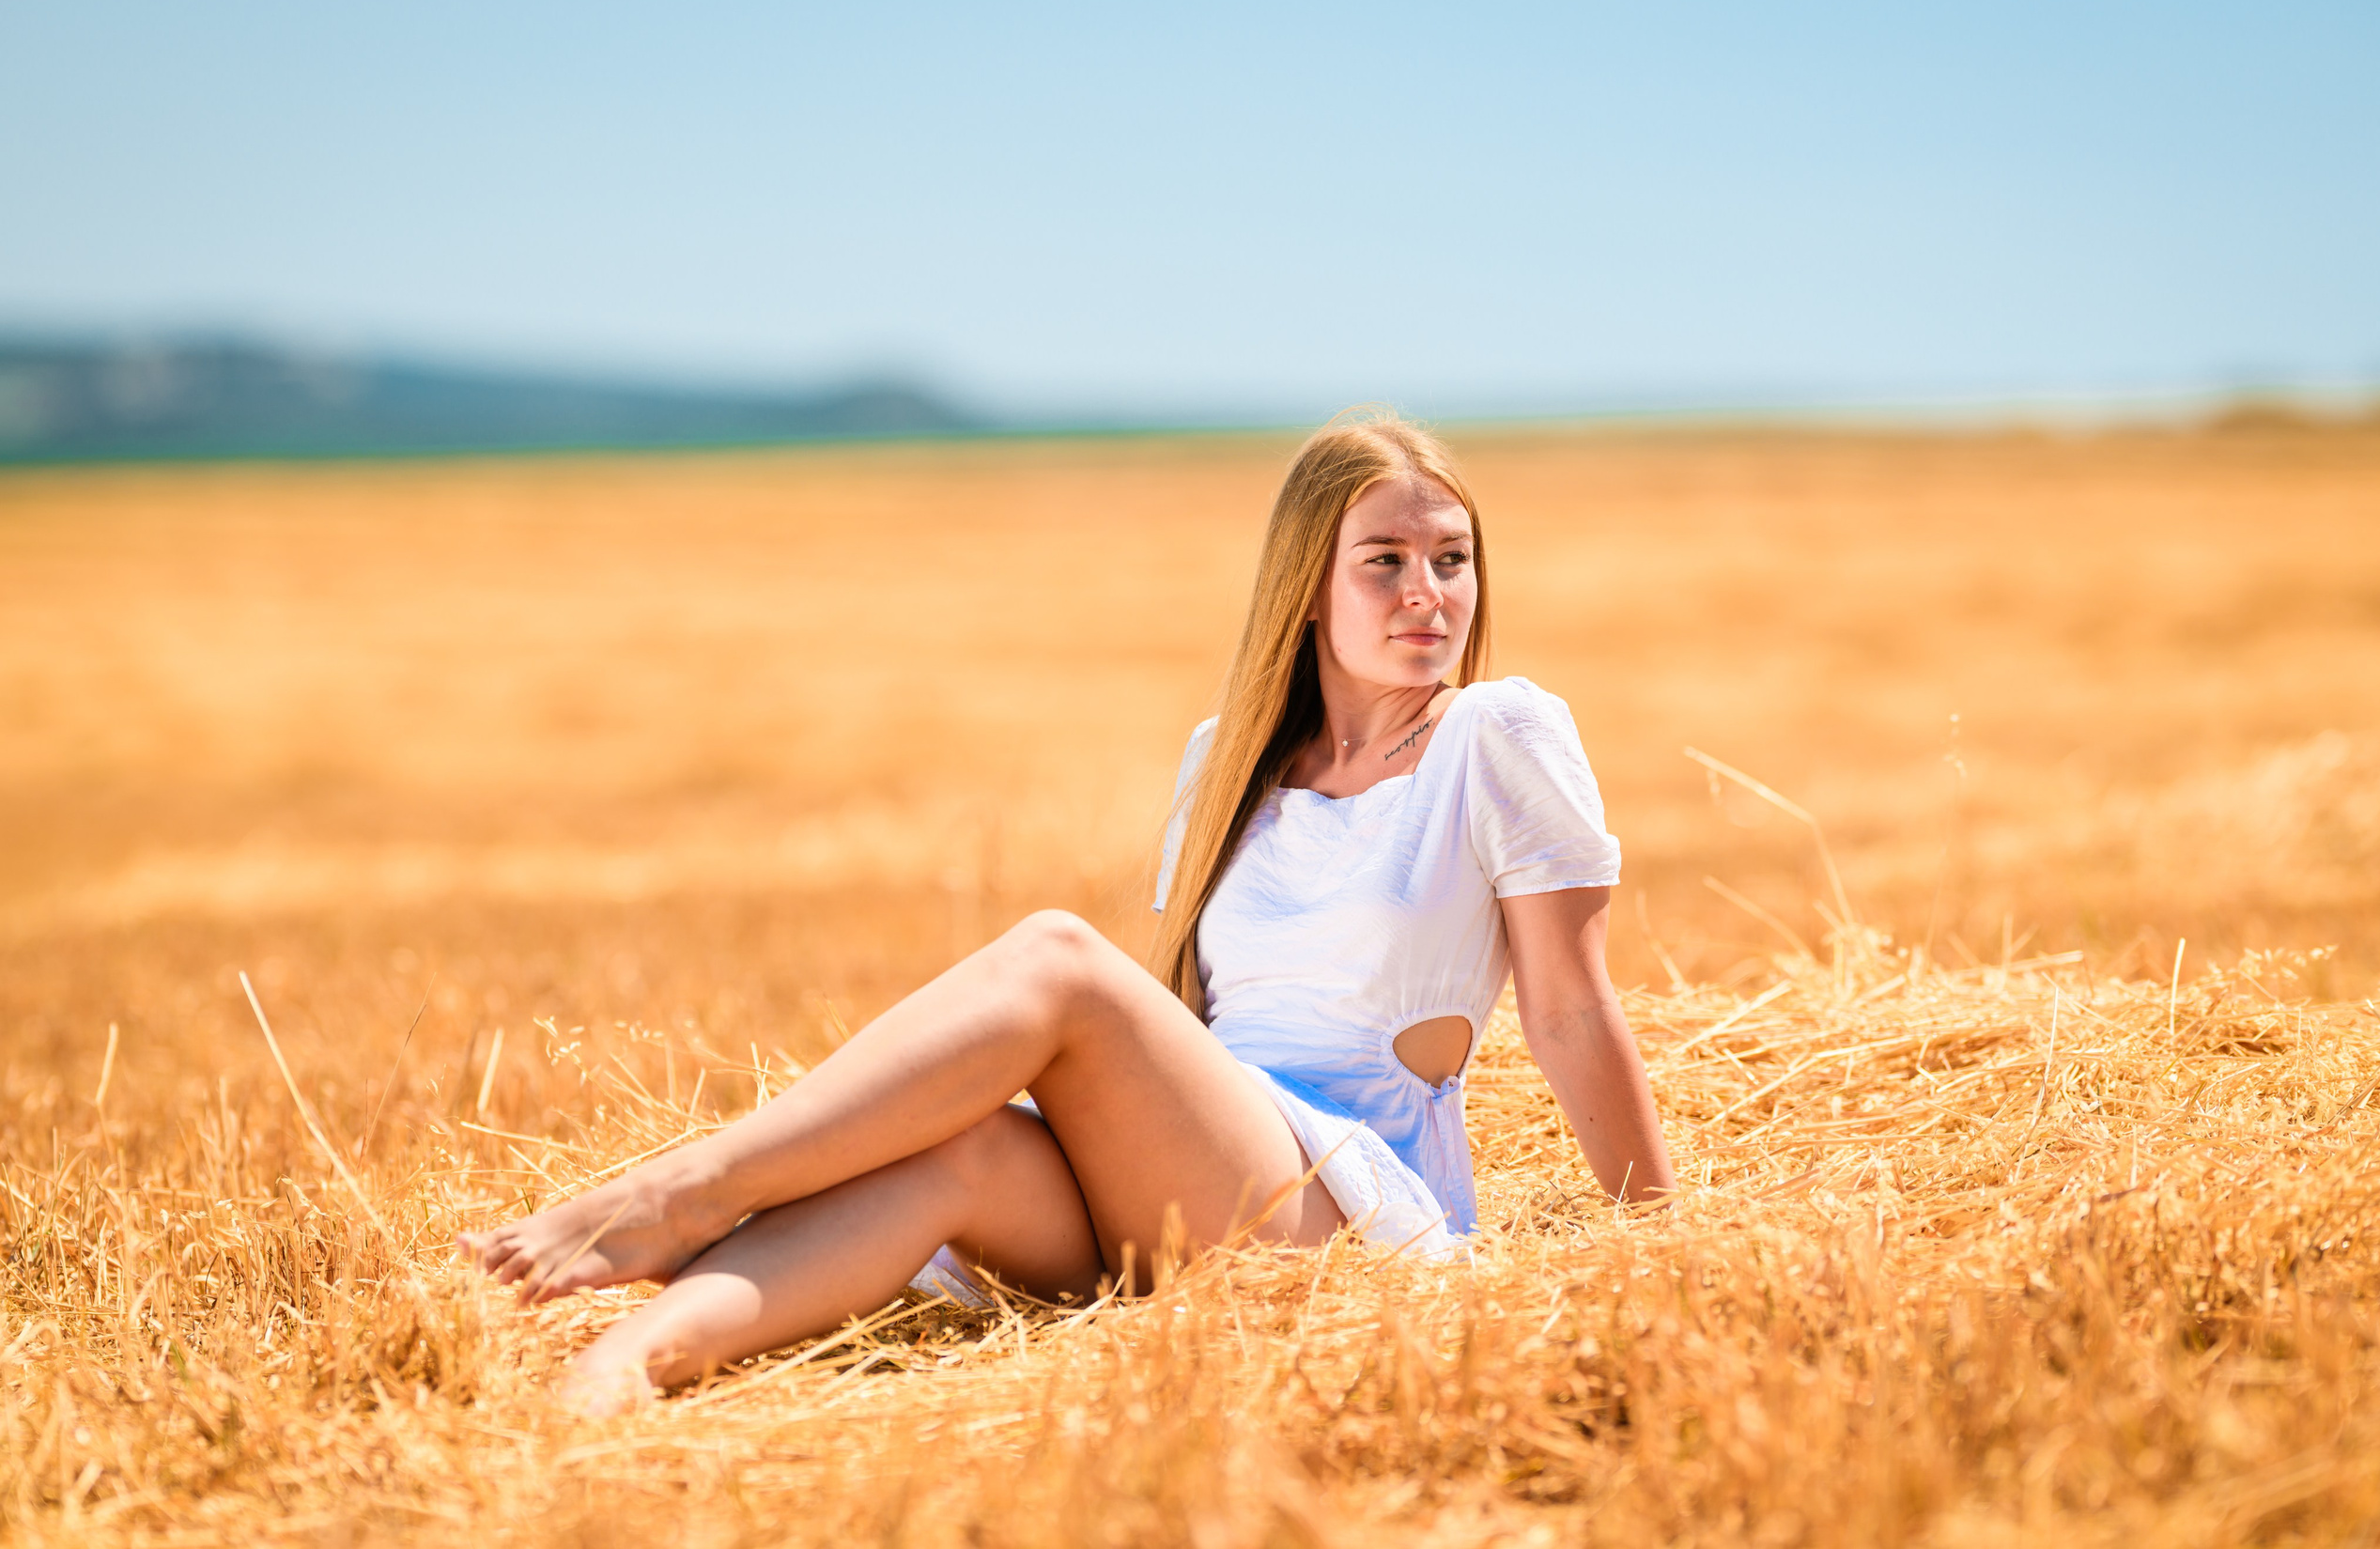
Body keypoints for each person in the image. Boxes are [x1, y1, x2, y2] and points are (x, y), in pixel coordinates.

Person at [457, 411, 1676, 1413]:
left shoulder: (1497, 735)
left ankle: (684, 1192)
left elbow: (1570, 1010)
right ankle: (619, 1367)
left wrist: (1666, 1251)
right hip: (1194, 1176)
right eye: (1386, 561)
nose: (1428, 594)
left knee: (1059, 959)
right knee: (960, 1150)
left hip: (1346, 1215)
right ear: (1308, 587)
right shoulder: (1231, 761)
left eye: (1452, 560)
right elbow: (1196, 1019)